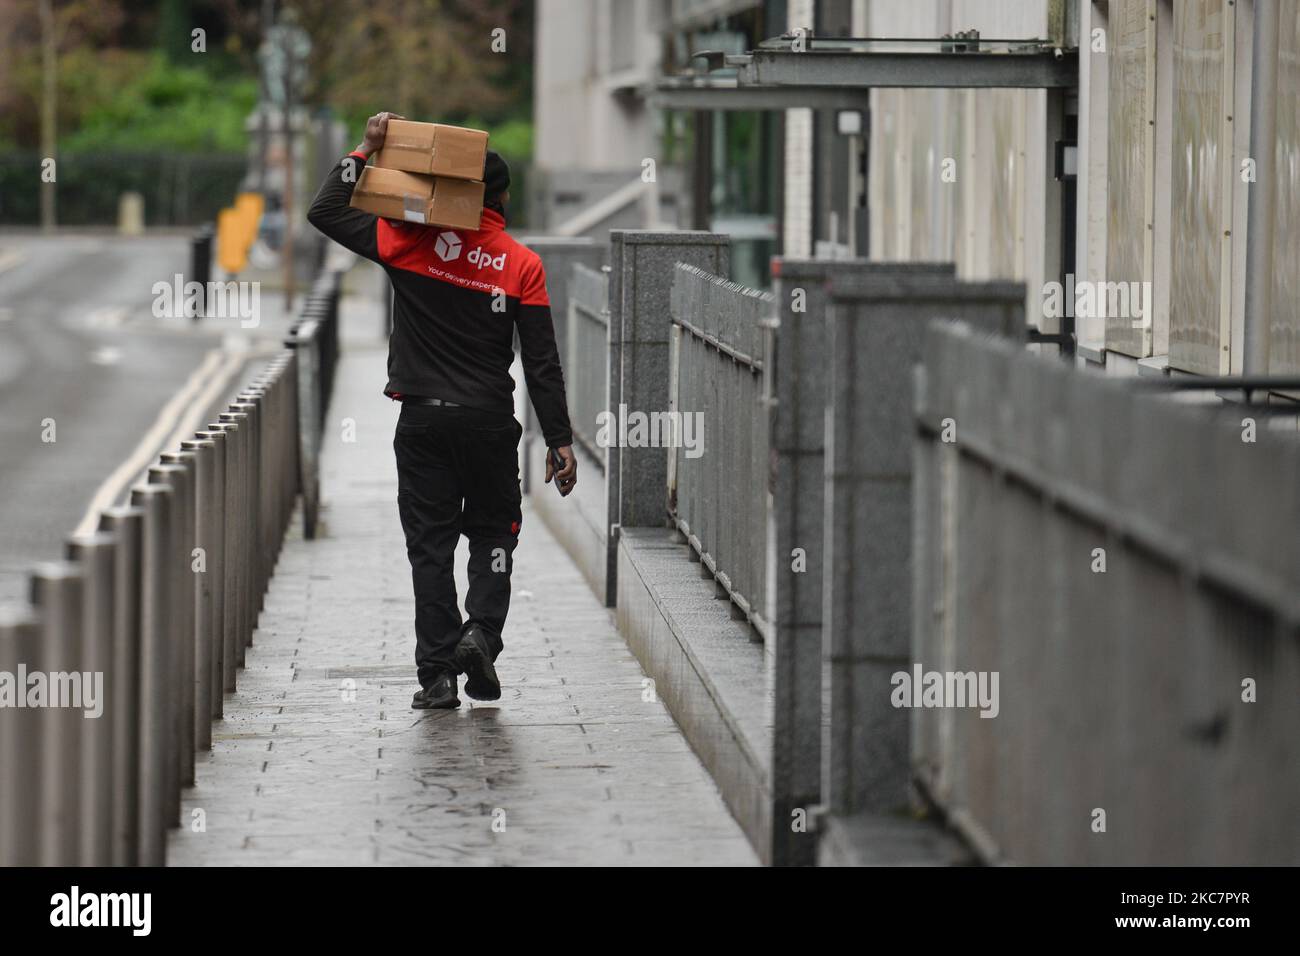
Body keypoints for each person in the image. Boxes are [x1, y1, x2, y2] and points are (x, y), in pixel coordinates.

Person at [307, 111, 577, 710]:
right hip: (488, 423)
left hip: (422, 421)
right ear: (501, 200)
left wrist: (367, 149)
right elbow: (541, 363)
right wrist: (559, 439)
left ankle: (436, 677)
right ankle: (481, 633)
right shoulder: (521, 264)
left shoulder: (407, 241)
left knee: (430, 548)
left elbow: (324, 211)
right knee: (494, 534)